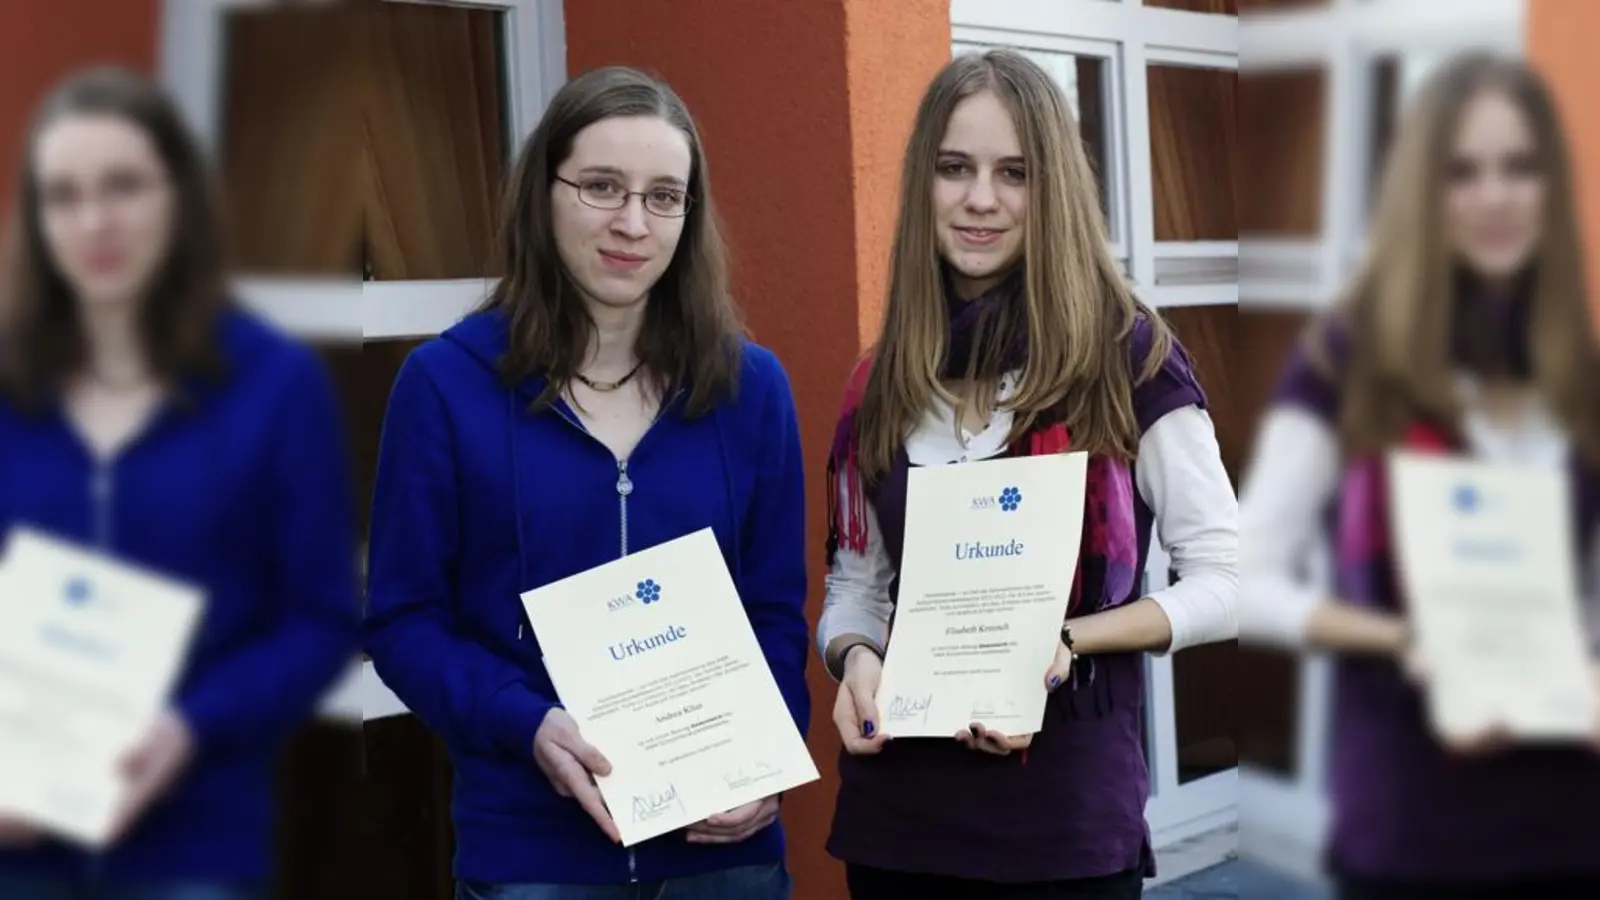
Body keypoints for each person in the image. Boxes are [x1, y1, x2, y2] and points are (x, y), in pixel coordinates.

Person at [363, 66, 808, 900]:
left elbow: (775, 613)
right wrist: (523, 721)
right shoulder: (445, 386)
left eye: (663, 196)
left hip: (723, 861)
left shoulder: (749, 389)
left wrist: (772, 753)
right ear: (545, 193)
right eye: (601, 186)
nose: (632, 223)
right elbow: (402, 620)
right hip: (535, 856)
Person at [817, 48, 1239, 899]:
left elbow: (1231, 580)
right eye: (954, 168)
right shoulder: (882, 379)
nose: (981, 198)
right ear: (923, 184)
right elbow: (856, 586)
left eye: (1014, 173)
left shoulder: (1130, 360)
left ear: (1055, 190)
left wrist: (1069, 641)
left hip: (1065, 830)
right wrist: (853, 656)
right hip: (899, 827)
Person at [1240, 52, 1600, 899]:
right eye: (1462, 172)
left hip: (1571, 827)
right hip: (1410, 831)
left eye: (1519, 167)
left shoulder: (1579, 374)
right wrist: (1403, 641)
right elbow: (1244, 577)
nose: (1495, 196)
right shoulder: (1345, 362)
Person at [0, 67, 359, 899]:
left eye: (124, 186)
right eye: (63, 195)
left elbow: (321, 618)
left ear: (181, 199)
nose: (95, 221)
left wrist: (190, 726)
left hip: (194, 836)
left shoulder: (276, 385)